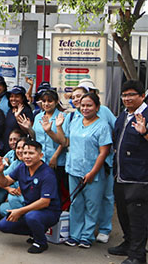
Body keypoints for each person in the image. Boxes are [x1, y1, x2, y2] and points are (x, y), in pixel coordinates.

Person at [59, 92, 111, 248]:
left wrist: (93, 172)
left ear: (97, 107)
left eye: (89, 105)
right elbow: (66, 142)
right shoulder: (75, 121)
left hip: (93, 172)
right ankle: (74, 235)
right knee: (76, 204)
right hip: (73, 169)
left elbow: (104, 151)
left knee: (92, 205)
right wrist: (57, 128)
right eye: (83, 105)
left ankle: (87, 236)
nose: (85, 108)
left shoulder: (102, 126)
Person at [0, 139, 62, 254]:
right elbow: (4, 183)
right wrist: (0, 172)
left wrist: (20, 211)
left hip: (49, 212)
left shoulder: (47, 173)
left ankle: (41, 242)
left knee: (32, 217)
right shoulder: (22, 168)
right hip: (30, 209)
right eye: (25, 153)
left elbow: (45, 202)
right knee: (3, 225)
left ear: (40, 155)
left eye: (31, 153)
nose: (27, 156)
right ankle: (35, 232)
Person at [108, 80, 148, 263]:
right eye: (124, 95)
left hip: (139, 177)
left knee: (137, 217)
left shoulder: (146, 115)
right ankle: (128, 243)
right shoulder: (123, 116)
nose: (127, 98)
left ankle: (138, 256)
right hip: (121, 175)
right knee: (123, 213)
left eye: (132, 94)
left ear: (142, 96)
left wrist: (144, 132)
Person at [17, 89, 67, 194]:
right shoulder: (38, 116)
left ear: (56, 101)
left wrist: (55, 157)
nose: (46, 104)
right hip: (40, 158)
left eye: (50, 101)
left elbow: (64, 140)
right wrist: (29, 128)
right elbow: (35, 137)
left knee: (54, 189)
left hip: (57, 160)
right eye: (44, 101)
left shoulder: (62, 117)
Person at [0, 137, 27, 217]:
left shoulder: (36, 164)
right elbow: (3, 180)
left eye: (23, 148)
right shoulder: (16, 163)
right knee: (3, 208)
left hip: (32, 199)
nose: (20, 151)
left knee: (12, 198)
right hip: (17, 197)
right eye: (18, 148)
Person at [3, 85, 34, 154]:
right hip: (8, 147)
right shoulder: (10, 110)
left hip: (19, 148)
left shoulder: (26, 111)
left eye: (17, 96)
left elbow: (28, 131)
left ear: (22, 98)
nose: (13, 99)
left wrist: (18, 118)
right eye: (11, 96)